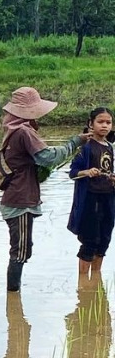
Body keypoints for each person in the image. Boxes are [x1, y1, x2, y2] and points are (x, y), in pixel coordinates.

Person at [0, 86, 88, 292]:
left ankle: (14, 302)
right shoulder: (23, 132)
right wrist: (75, 141)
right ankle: (13, 298)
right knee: (20, 252)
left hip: (15, 197)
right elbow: (49, 157)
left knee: (21, 250)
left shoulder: (13, 131)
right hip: (20, 201)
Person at [67, 106, 115, 283]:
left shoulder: (109, 147)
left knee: (104, 239)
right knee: (90, 240)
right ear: (91, 124)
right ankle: (83, 284)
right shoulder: (85, 147)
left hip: (108, 197)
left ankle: (95, 282)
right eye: (100, 122)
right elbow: (73, 172)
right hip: (90, 198)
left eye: (108, 122)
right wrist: (86, 172)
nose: (105, 126)